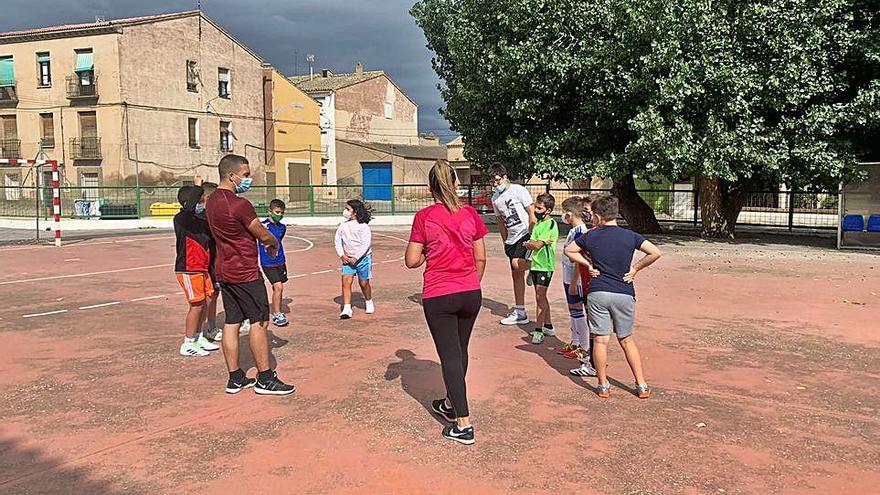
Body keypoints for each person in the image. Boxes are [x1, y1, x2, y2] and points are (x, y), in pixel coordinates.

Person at [406, 160, 487, 445]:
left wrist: (431, 251)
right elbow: (481, 257)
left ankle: (463, 423)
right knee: (460, 350)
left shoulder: (424, 216)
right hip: (470, 291)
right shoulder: (470, 214)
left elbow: (411, 261)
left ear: (430, 188)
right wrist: (471, 283)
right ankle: (451, 404)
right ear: (455, 184)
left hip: (440, 293)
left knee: (450, 355)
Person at [206, 154, 295, 396]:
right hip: (244, 271)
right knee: (259, 321)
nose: (249, 179)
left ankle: (235, 377)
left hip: (224, 269)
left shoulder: (211, 200)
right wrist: (272, 241)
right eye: (245, 175)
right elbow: (260, 231)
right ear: (231, 175)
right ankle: (265, 378)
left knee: (232, 322)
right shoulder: (239, 204)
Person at [564, 194, 662, 399]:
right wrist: (635, 269)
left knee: (600, 340)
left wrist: (588, 265)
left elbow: (569, 250)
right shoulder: (630, 236)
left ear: (598, 216)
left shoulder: (591, 236)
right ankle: (641, 385)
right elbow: (654, 252)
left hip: (598, 291)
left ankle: (602, 385)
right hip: (624, 292)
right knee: (626, 339)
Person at [173, 181, 221, 357]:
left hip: (202, 268)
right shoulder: (182, 219)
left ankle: (199, 336)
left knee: (207, 300)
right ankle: (188, 342)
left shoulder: (200, 221)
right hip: (188, 268)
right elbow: (190, 205)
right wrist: (198, 188)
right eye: (200, 201)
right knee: (197, 305)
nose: (202, 204)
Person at [558, 196, 597, 377]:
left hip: (578, 279)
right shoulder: (574, 231)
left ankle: (584, 348)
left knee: (578, 310)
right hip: (569, 277)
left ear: (569, 213)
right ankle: (576, 343)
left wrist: (574, 281)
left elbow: (577, 260)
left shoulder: (581, 232)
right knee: (573, 310)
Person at [491, 173, 536, 325]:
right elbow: (500, 223)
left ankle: (536, 266)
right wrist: (505, 242)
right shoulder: (495, 199)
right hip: (511, 238)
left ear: (504, 176)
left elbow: (531, 212)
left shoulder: (518, 190)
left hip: (524, 233)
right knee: (516, 274)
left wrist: (533, 232)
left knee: (517, 264)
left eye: (497, 179)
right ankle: (520, 311)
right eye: (492, 180)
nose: (495, 183)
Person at [523, 193, 558, 344]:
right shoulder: (538, 224)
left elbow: (535, 244)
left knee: (539, 297)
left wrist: (531, 244)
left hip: (545, 266)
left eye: (539, 208)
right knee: (541, 297)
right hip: (536, 264)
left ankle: (539, 331)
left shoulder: (551, 224)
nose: (536, 210)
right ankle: (548, 326)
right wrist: (533, 243)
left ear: (548, 210)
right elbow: (534, 241)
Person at [335, 199, 374, 319]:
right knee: (346, 282)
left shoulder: (363, 227)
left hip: (363, 259)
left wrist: (356, 257)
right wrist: (342, 255)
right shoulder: (343, 225)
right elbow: (337, 241)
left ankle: (368, 300)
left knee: (364, 283)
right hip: (347, 260)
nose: (345, 211)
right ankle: (347, 308)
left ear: (355, 212)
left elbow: (365, 244)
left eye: (348, 209)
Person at [259, 199, 290, 327]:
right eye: (277, 212)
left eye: (282, 213)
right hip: (268, 262)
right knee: (278, 287)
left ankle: (277, 308)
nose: (280, 215)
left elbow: (279, 240)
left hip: (280, 261)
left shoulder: (282, 227)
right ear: (270, 211)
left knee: (278, 287)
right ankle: (277, 314)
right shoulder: (262, 226)